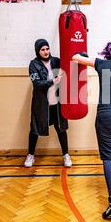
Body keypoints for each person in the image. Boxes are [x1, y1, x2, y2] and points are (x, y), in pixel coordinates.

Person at [71, 41, 111, 220]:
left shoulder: (102, 63)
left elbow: (75, 58)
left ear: (106, 53)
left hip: (107, 115)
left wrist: (80, 53)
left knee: (108, 157)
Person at [25, 39, 72, 168]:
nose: (46, 52)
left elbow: (69, 66)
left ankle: (66, 155)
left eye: (47, 49)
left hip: (57, 104)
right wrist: (53, 81)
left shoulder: (56, 61)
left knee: (61, 129)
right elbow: (37, 83)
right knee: (34, 130)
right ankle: (30, 155)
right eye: (42, 50)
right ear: (38, 51)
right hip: (42, 105)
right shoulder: (34, 65)